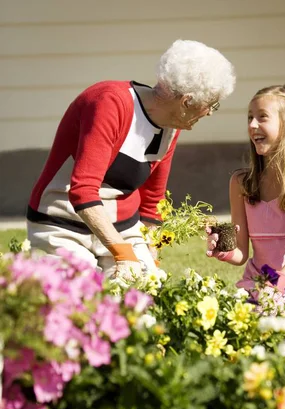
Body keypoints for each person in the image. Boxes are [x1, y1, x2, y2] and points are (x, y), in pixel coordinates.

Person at [27, 40, 236, 280]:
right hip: (63, 222)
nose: (210, 112)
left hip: (123, 227)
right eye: (212, 105)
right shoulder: (110, 103)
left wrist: (150, 255)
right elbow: (82, 190)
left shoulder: (172, 123)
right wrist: (123, 254)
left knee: (144, 291)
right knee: (79, 297)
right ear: (186, 101)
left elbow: (151, 202)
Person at [206, 83, 285, 297]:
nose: (253, 125)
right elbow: (241, 254)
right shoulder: (240, 182)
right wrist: (222, 250)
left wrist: (275, 285)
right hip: (258, 282)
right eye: (249, 118)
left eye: (262, 117)